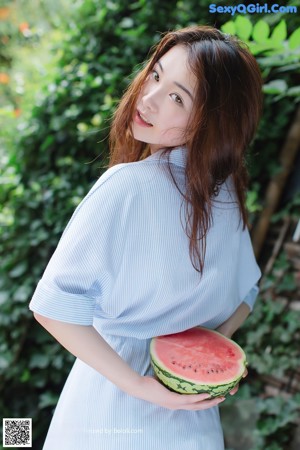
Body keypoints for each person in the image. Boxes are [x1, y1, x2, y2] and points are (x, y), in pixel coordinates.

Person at [29, 25, 263, 450]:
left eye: (177, 97)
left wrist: (141, 386)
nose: (149, 98)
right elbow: (248, 291)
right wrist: (206, 350)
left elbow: (53, 307)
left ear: (212, 121)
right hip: (196, 415)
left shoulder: (127, 185)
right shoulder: (226, 190)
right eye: (156, 75)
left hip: (112, 407)